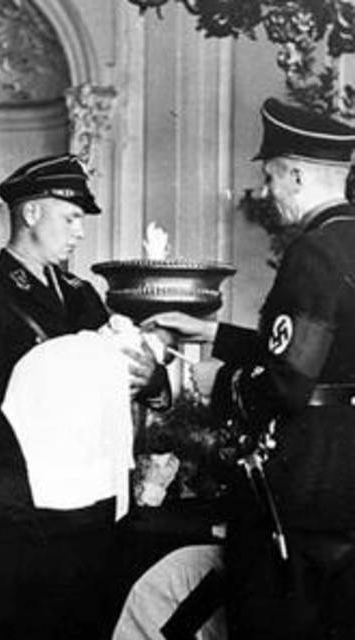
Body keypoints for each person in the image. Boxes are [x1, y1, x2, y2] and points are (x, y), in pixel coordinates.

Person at [144, 98, 355, 639]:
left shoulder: (313, 253)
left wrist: (221, 382)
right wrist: (213, 333)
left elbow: (289, 382)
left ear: (298, 175)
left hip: (300, 487)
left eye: (270, 177)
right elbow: (319, 353)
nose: (265, 192)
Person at [0, 154, 170, 640]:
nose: (79, 232)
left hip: (94, 504)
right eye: (70, 218)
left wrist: (152, 379)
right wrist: (43, 451)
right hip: (24, 509)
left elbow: (119, 376)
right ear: (30, 214)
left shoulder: (81, 295)